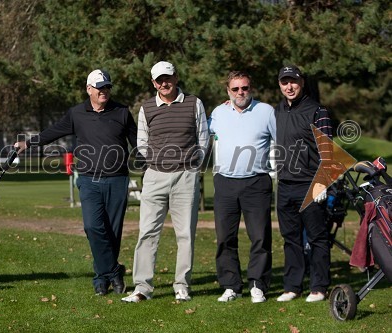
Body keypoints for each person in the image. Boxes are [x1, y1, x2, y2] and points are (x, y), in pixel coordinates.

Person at [14, 69, 137, 296]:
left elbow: (138, 142)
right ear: (88, 89)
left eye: (107, 87)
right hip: (89, 180)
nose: (104, 91)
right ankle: (113, 271)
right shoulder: (77, 113)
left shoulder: (122, 112)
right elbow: (54, 132)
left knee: (113, 232)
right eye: (100, 87)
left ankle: (101, 278)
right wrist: (28, 143)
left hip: (117, 180)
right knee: (92, 227)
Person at [121, 61, 209, 303]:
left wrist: (192, 165)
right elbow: (141, 142)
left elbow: (203, 137)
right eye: (159, 80)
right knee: (147, 232)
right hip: (155, 176)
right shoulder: (147, 108)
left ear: (176, 77)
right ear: (153, 83)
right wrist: (156, 162)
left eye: (167, 78)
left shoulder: (194, 103)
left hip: (185, 176)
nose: (164, 83)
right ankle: (142, 287)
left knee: (185, 234)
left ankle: (182, 285)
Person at [208, 71, 276, 303]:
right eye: (235, 89)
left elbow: (282, 140)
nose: (240, 93)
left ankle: (258, 284)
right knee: (225, 237)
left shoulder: (266, 111)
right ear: (228, 91)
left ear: (251, 88)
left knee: (259, 237)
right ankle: (231, 286)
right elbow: (201, 133)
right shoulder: (218, 112)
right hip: (225, 182)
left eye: (244, 88)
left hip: (256, 182)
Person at [274, 65, 332, 303]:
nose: (289, 86)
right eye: (285, 82)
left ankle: (318, 287)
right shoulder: (276, 111)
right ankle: (292, 286)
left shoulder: (317, 111)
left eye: (294, 82)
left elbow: (328, 152)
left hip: (310, 184)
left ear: (302, 83)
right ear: (279, 85)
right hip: (285, 184)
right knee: (291, 238)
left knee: (317, 238)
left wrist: (322, 184)